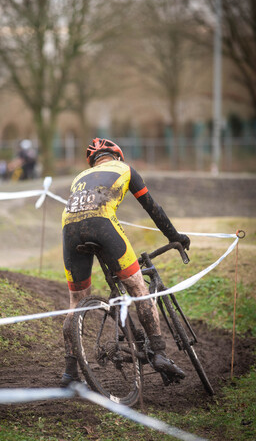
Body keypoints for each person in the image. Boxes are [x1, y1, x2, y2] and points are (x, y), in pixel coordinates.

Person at [60, 138, 190, 387]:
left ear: (93, 162)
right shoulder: (125, 169)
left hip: (69, 229)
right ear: (117, 156)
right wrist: (174, 237)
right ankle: (160, 353)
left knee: (75, 302)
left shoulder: (80, 177)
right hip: (101, 224)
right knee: (137, 287)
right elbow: (152, 207)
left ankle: (69, 373)